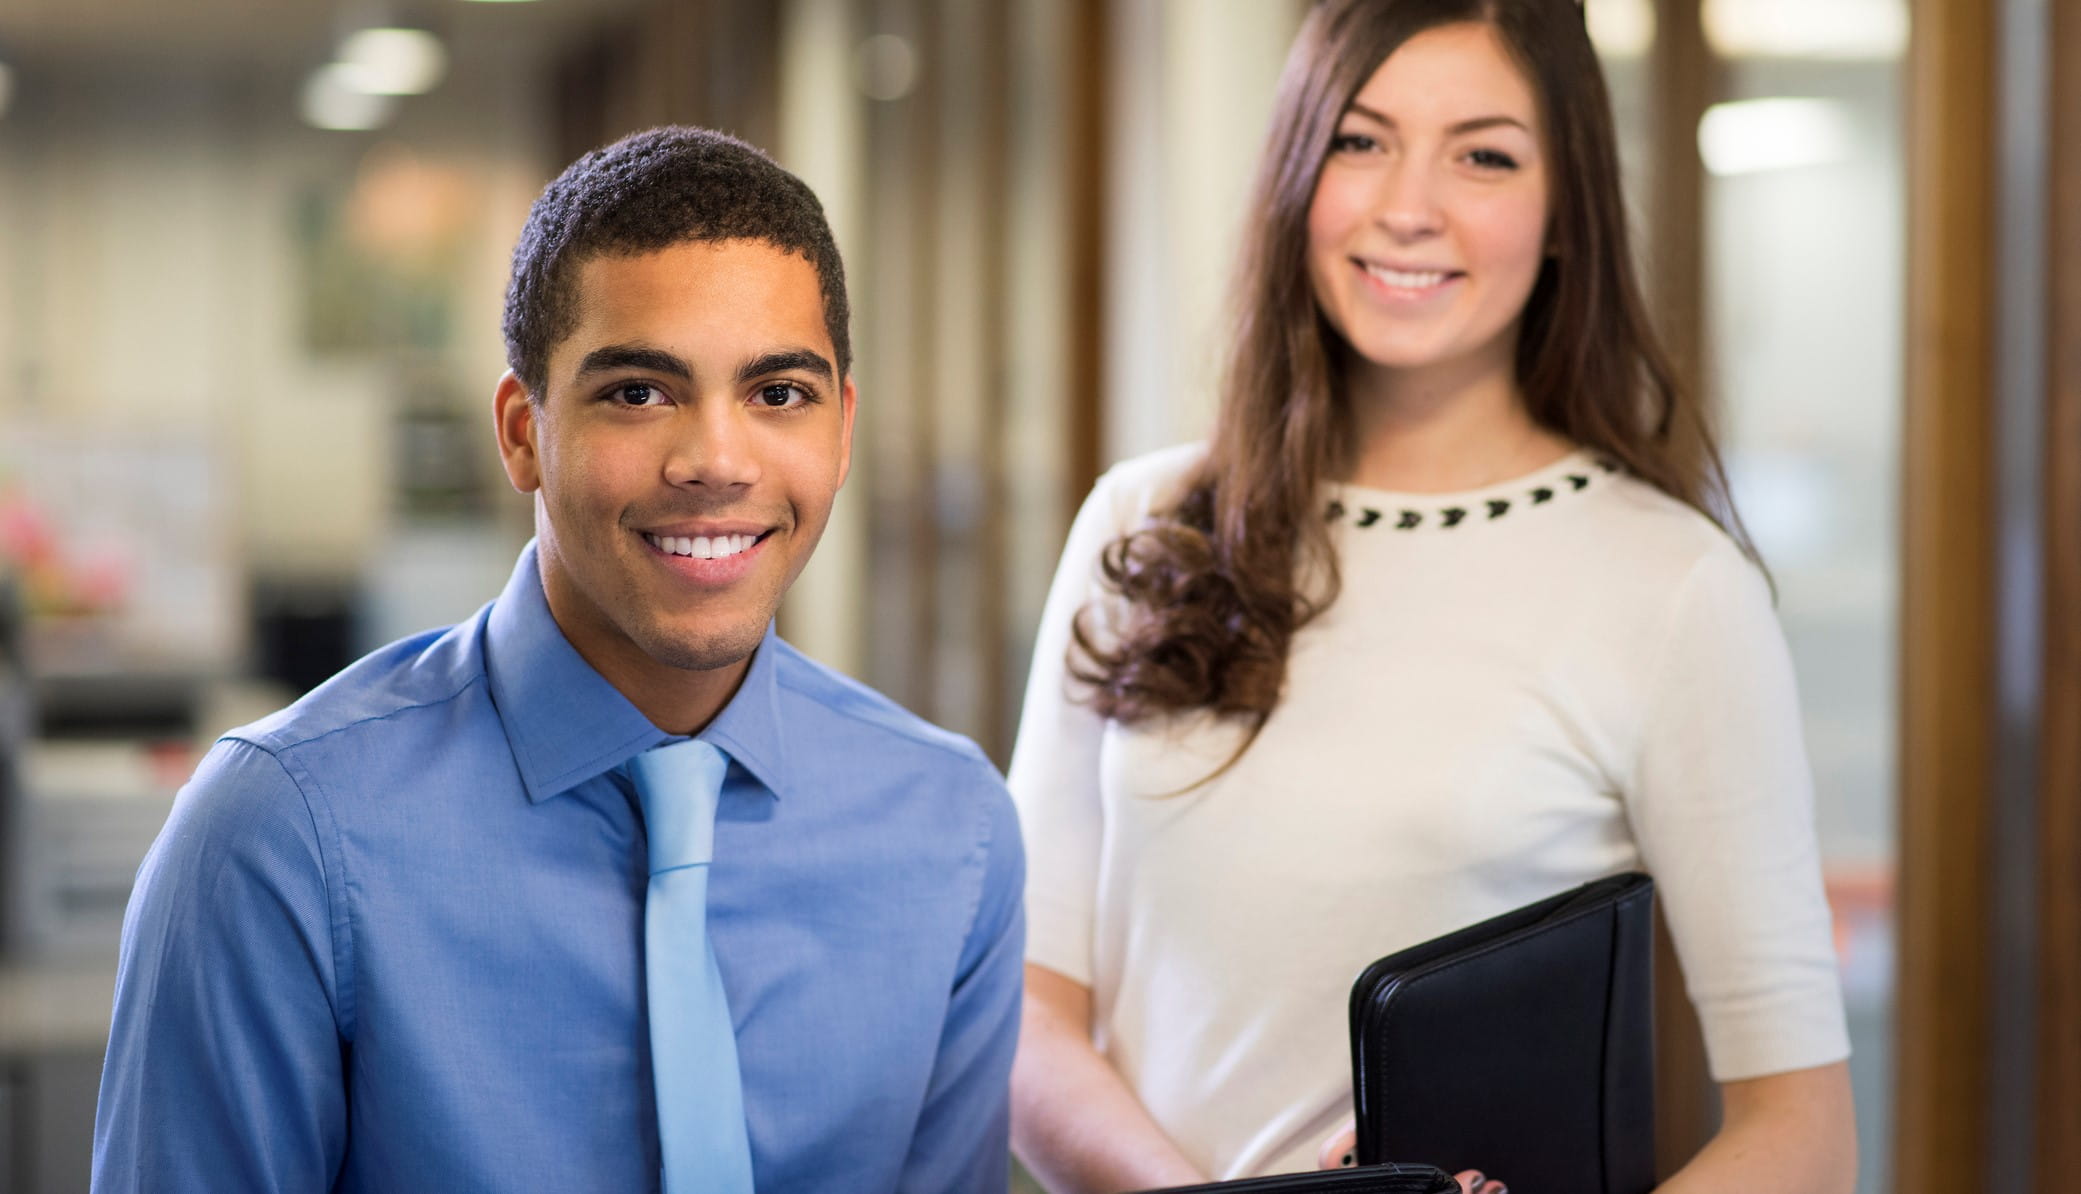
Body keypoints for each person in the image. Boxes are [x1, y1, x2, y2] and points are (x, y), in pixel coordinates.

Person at [1005, 2, 1855, 1192]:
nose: (1408, 205)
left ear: (1565, 216)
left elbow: (1802, 1133)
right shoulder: (1138, 524)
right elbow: (1027, 1014)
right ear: (1298, 174)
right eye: (1359, 141)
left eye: (1484, 154)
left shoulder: (1673, 589)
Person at [92, 126, 1024, 1194]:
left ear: (842, 429)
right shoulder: (279, 836)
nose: (716, 462)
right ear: (522, 430)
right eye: (637, 391)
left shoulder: (951, 829)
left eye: (778, 394)